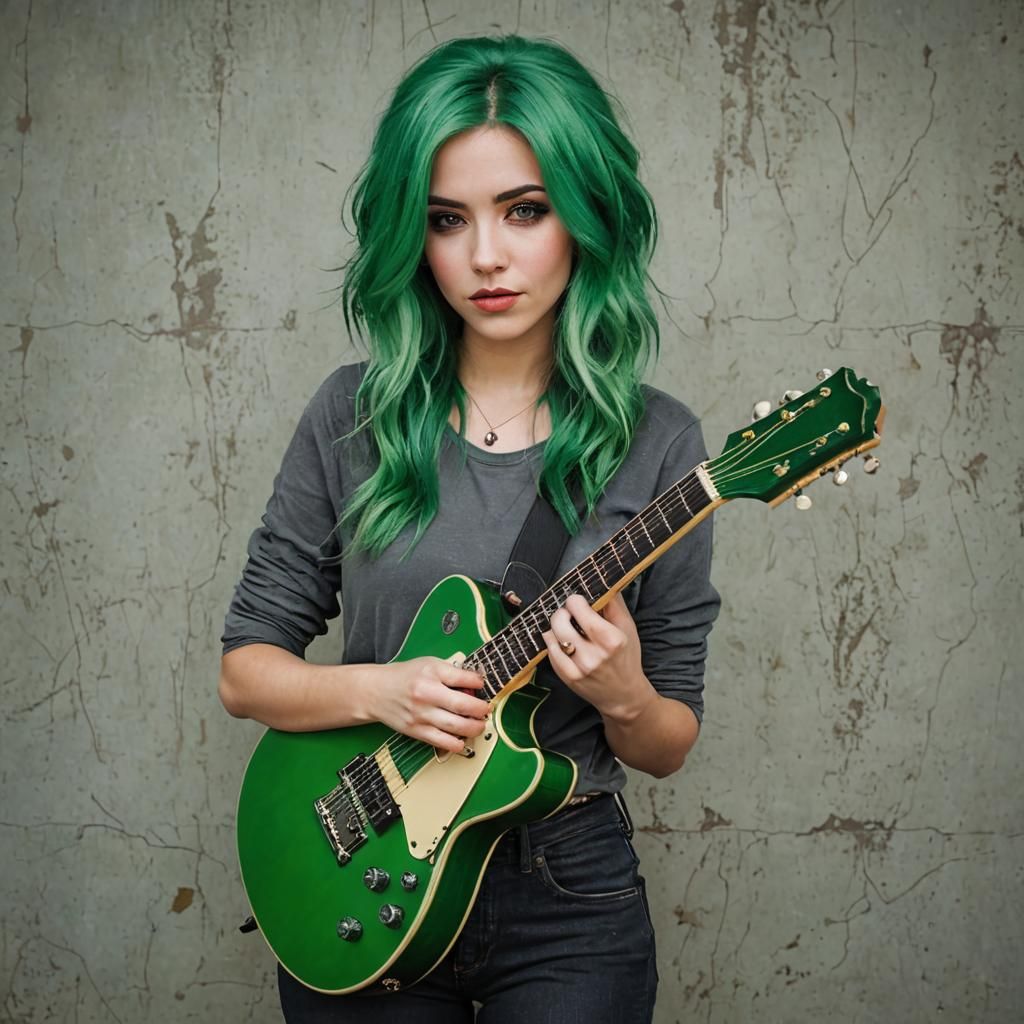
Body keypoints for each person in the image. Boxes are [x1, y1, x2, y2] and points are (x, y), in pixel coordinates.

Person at [220, 34, 720, 1023]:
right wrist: (384, 690)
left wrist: (623, 696)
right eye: (448, 219)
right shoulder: (350, 415)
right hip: (365, 869)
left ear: (585, 216)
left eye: (524, 211)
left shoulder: (662, 441)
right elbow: (246, 671)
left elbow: (667, 745)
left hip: (567, 894)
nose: (485, 255)